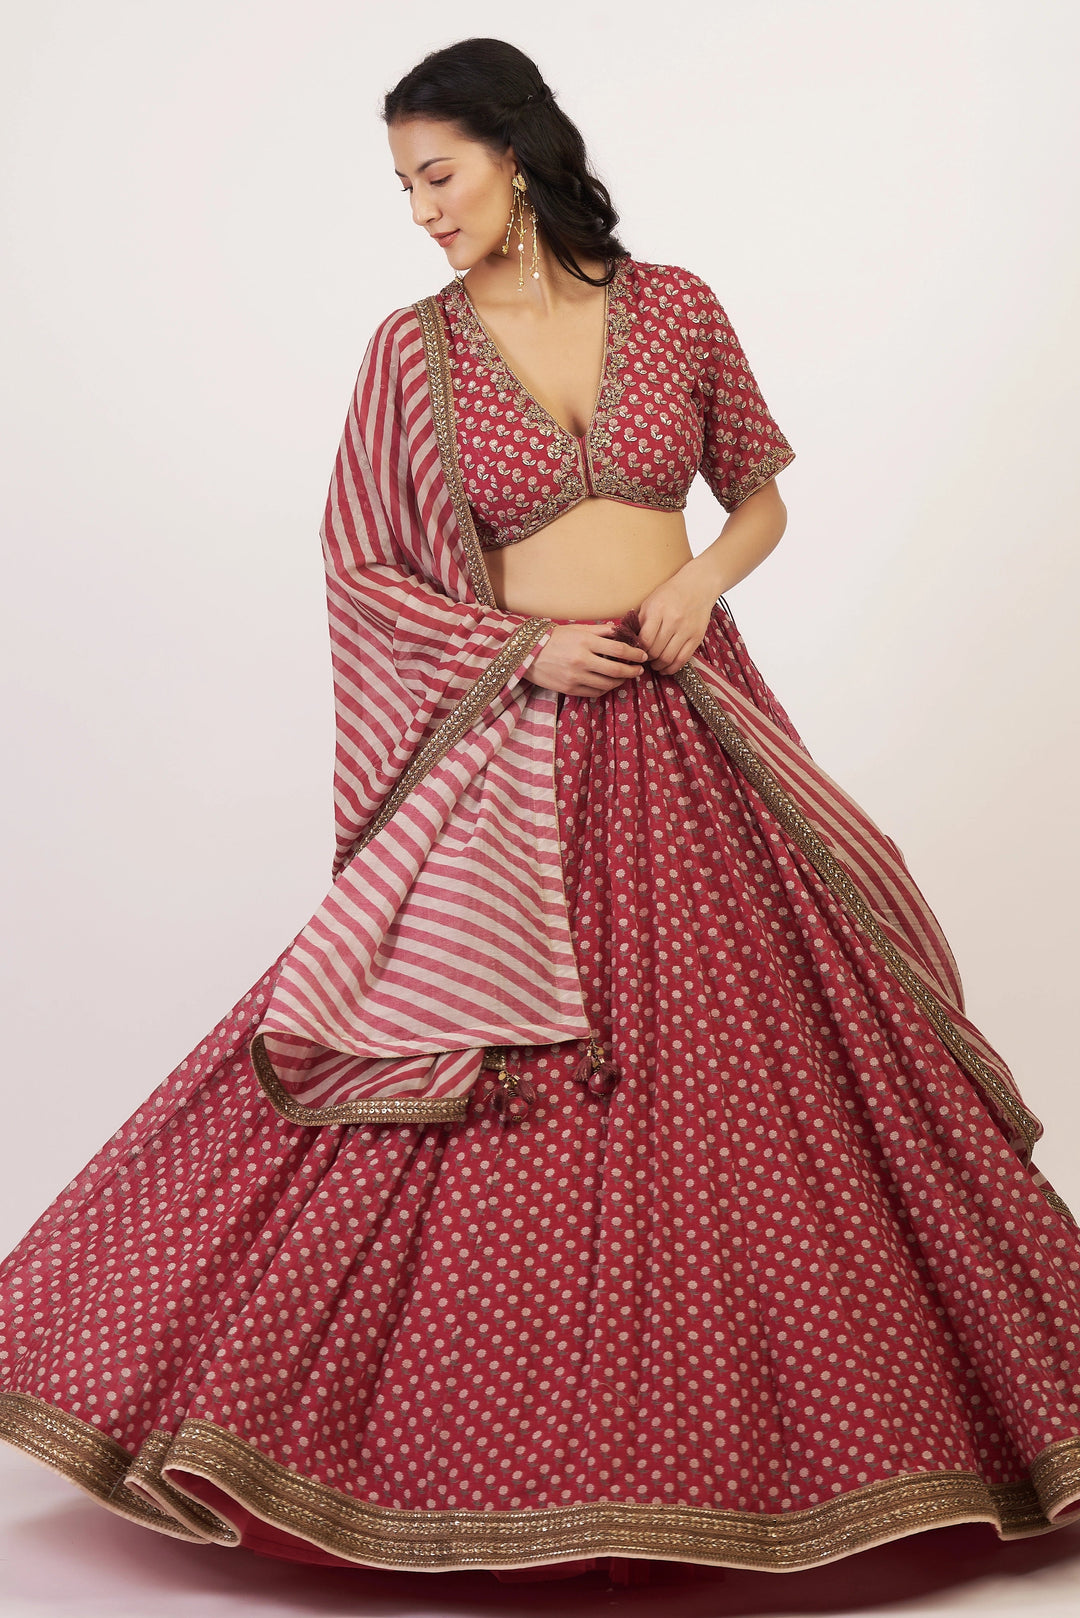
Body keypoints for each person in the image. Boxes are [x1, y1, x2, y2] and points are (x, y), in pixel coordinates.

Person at [2, 34, 1079, 1592]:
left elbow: (758, 487)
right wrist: (519, 647)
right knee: (476, 1059)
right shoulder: (410, 350)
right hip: (518, 759)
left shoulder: (680, 308)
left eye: (437, 174)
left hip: (698, 731)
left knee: (773, 1066)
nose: (421, 212)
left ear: (518, 151)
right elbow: (359, 562)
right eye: (401, 188)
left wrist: (699, 583)